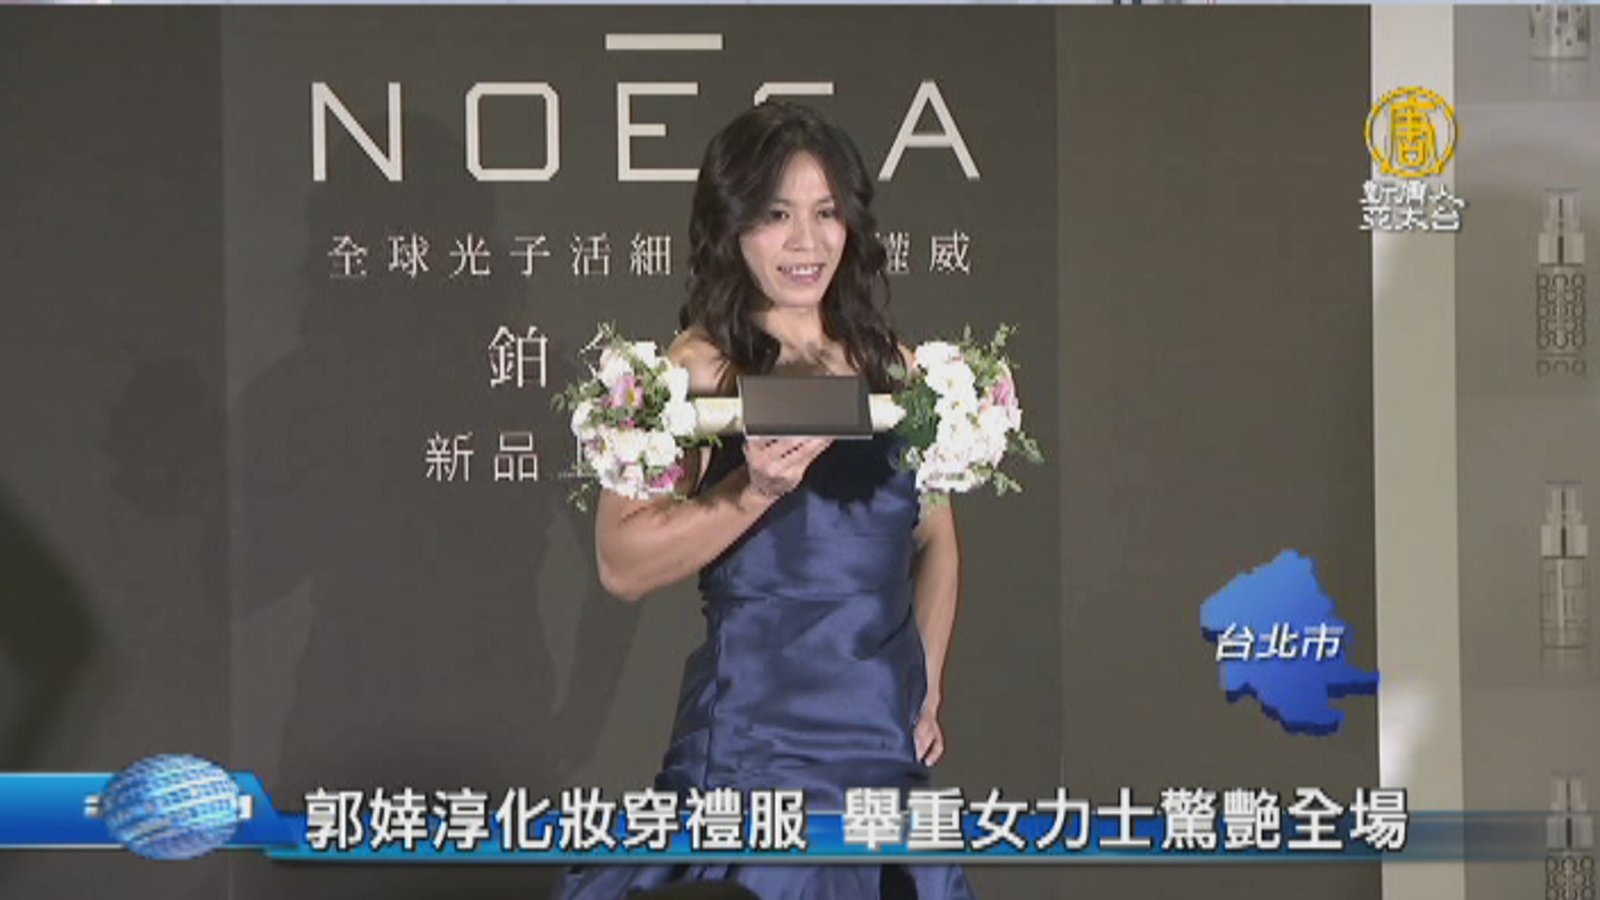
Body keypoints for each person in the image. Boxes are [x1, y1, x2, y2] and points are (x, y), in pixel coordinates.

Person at [558, 101, 974, 900]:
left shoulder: (898, 371)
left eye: (826, 213)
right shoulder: (689, 373)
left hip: (879, 759)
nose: (806, 243)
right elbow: (621, 563)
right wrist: (752, 492)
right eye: (777, 216)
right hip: (753, 752)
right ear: (732, 226)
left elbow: (937, 539)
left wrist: (923, 689)